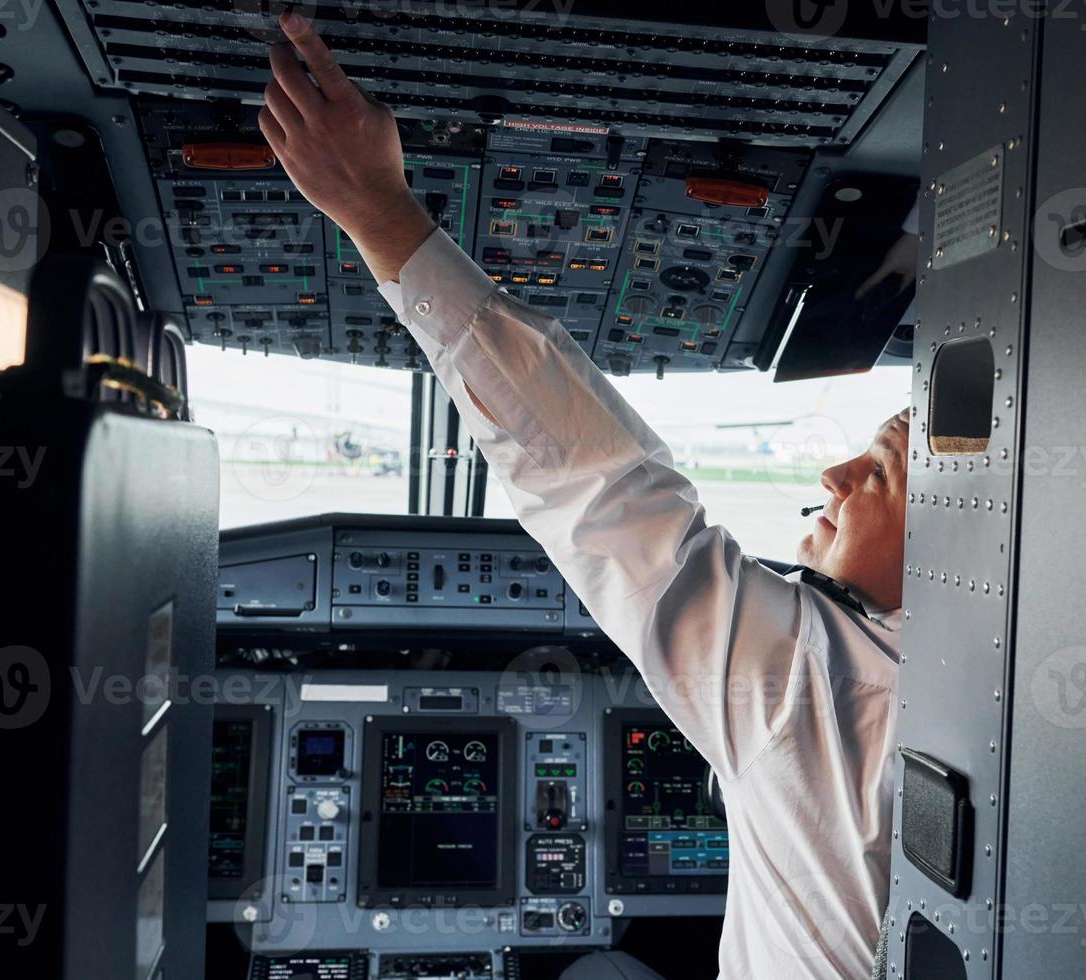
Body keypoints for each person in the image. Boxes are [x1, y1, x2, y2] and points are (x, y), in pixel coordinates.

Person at [260, 14, 910, 978]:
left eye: (885, 472)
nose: (836, 476)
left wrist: (380, 212)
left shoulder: (830, 685)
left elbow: (599, 485)